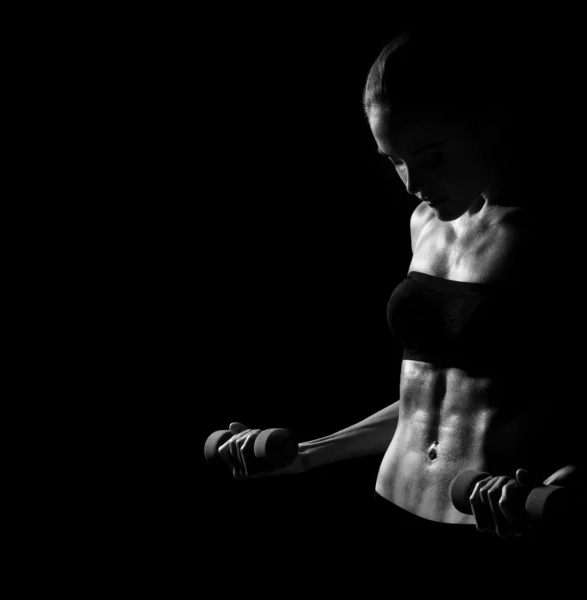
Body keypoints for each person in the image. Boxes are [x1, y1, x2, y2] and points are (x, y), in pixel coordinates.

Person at [214, 19, 584, 580]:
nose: (412, 183)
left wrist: (572, 480)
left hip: (491, 525)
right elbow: (424, 405)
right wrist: (309, 454)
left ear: (490, 120)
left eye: (431, 155)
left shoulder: (554, 235)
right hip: (389, 508)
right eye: (394, 160)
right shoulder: (424, 226)